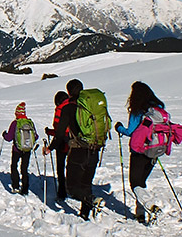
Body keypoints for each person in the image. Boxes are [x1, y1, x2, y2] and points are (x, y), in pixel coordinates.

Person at [114, 81, 165, 224]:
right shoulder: (158, 108)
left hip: (139, 151)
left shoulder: (137, 110)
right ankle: (140, 213)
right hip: (155, 149)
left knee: (135, 183)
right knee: (141, 182)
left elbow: (131, 131)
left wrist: (119, 128)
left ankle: (150, 207)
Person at [59, 79, 105, 220]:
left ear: (68, 92)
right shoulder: (91, 108)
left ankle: (91, 200)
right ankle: (84, 214)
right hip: (95, 148)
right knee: (86, 183)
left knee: (72, 187)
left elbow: (60, 133)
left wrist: (51, 147)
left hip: (79, 150)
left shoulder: (68, 108)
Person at [2, 102, 38, 195]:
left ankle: (15, 186)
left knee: (14, 166)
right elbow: (36, 136)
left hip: (17, 149)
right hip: (27, 149)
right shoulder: (30, 123)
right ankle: (25, 189)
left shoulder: (15, 123)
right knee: (24, 169)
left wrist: (4, 135)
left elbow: (9, 138)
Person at [42, 91, 69, 201]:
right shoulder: (76, 106)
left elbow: (60, 131)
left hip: (62, 142)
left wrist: (50, 147)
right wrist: (51, 132)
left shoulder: (61, 109)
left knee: (61, 168)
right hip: (76, 141)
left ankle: (62, 193)